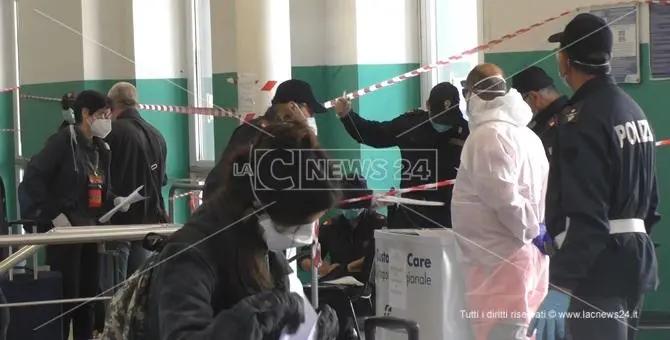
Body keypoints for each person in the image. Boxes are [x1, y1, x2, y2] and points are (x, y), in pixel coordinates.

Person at [145, 110, 341, 340]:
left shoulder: (259, 241)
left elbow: (284, 315)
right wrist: (261, 312)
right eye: (302, 224)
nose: (308, 234)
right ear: (262, 207)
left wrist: (316, 329)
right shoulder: (191, 254)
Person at [527, 13, 660, 340]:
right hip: (633, 261)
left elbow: (588, 214)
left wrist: (561, 284)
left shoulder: (579, 121)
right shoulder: (632, 111)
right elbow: (651, 204)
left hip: (595, 273)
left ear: (565, 60)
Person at [21, 90, 132, 340]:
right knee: (67, 297)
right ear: (85, 114)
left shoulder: (101, 149)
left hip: (91, 230)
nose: (108, 121)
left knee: (89, 297)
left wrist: (116, 199)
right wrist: (54, 214)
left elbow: (102, 186)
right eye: (103, 115)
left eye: (109, 115)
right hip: (66, 232)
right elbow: (33, 179)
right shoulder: (63, 141)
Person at [451, 64, 549, 340]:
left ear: (471, 94)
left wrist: (530, 230)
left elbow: (505, 200)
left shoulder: (486, 136)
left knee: (506, 332)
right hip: (526, 255)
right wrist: (537, 231)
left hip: (499, 260)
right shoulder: (529, 136)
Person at [202, 79, 373, 207]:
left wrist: (364, 196)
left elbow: (312, 176)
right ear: (293, 107)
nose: (310, 118)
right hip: (234, 222)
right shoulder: (258, 133)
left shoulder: (276, 134)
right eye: (309, 112)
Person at [333, 82, 469, 229]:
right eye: (439, 119)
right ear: (427, 105)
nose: (443, 125)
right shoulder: (410, 125)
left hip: (452, 212)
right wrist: (347, 116)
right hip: (411, 212)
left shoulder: (468, 132)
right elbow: (375, 134)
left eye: (447, 119)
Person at [94, 82, 168, 333]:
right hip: (149, 224)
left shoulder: (113, 133)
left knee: (115, 292)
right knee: (140, 291)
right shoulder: (157, 134)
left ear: (111, 106)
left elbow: (101, 177)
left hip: (120, 227)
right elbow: (162, 180)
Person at [299, 175, 386, 283]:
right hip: (337, 288)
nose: (352, 207)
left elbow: (377, 259)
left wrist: (345, 269)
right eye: (348, 202)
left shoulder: (379, 225)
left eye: (356, 201)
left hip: (370, 288)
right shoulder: (330, 226)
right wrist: (325, 269)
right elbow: (304, 259)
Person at [511, 66, 568, 156]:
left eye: (520, 101)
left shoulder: (548, 130)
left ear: (534, 97)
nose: (519, 107)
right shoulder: (576, 111)